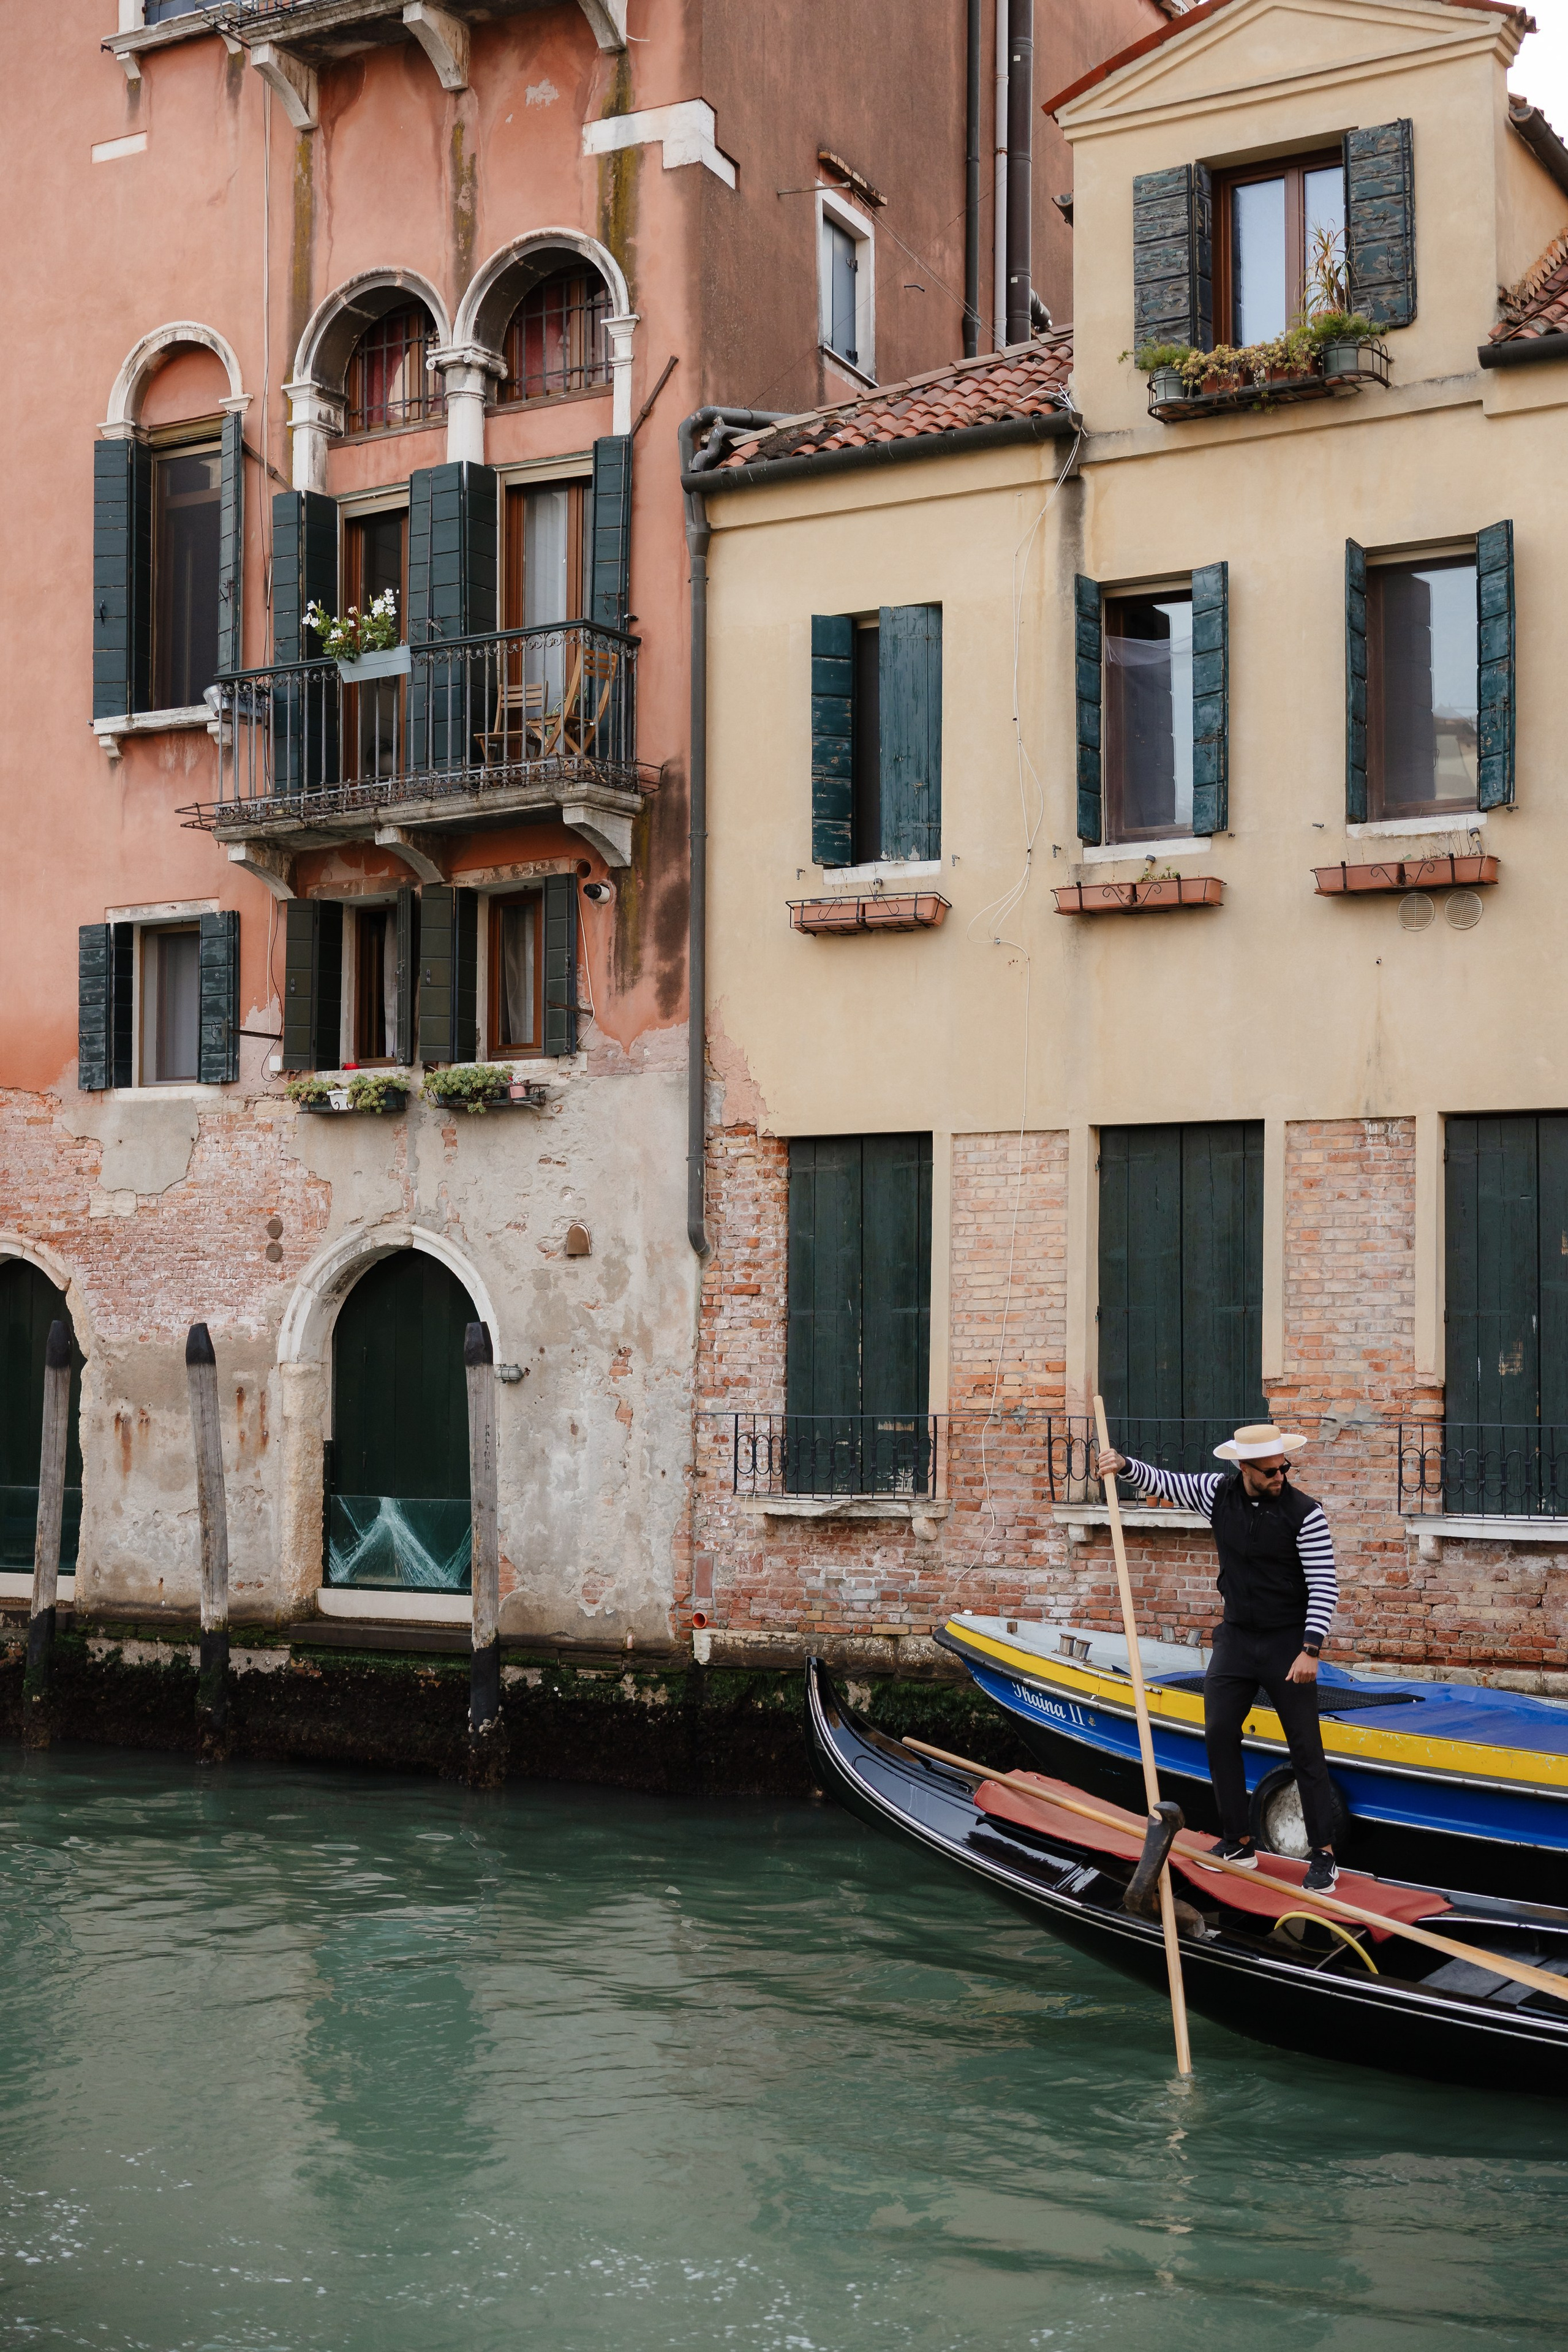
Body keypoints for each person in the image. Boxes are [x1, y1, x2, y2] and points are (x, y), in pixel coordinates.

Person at [1095, 1421, 1341, 1892]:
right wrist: (1123, 1465)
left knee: (1305, 1748)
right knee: (1219, 1732)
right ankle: (1239, 1841)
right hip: (1236, 1639)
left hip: (1289, 1643)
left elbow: (1325, 1585)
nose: (1280, 1477)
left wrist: (1311, 1648)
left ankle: (1324, 1855)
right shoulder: (1216, 1492)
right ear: (1244, 1468)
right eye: (1270, 1471)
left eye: (1283, 1468)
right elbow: (1166, 1482)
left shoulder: (1306, 1514)